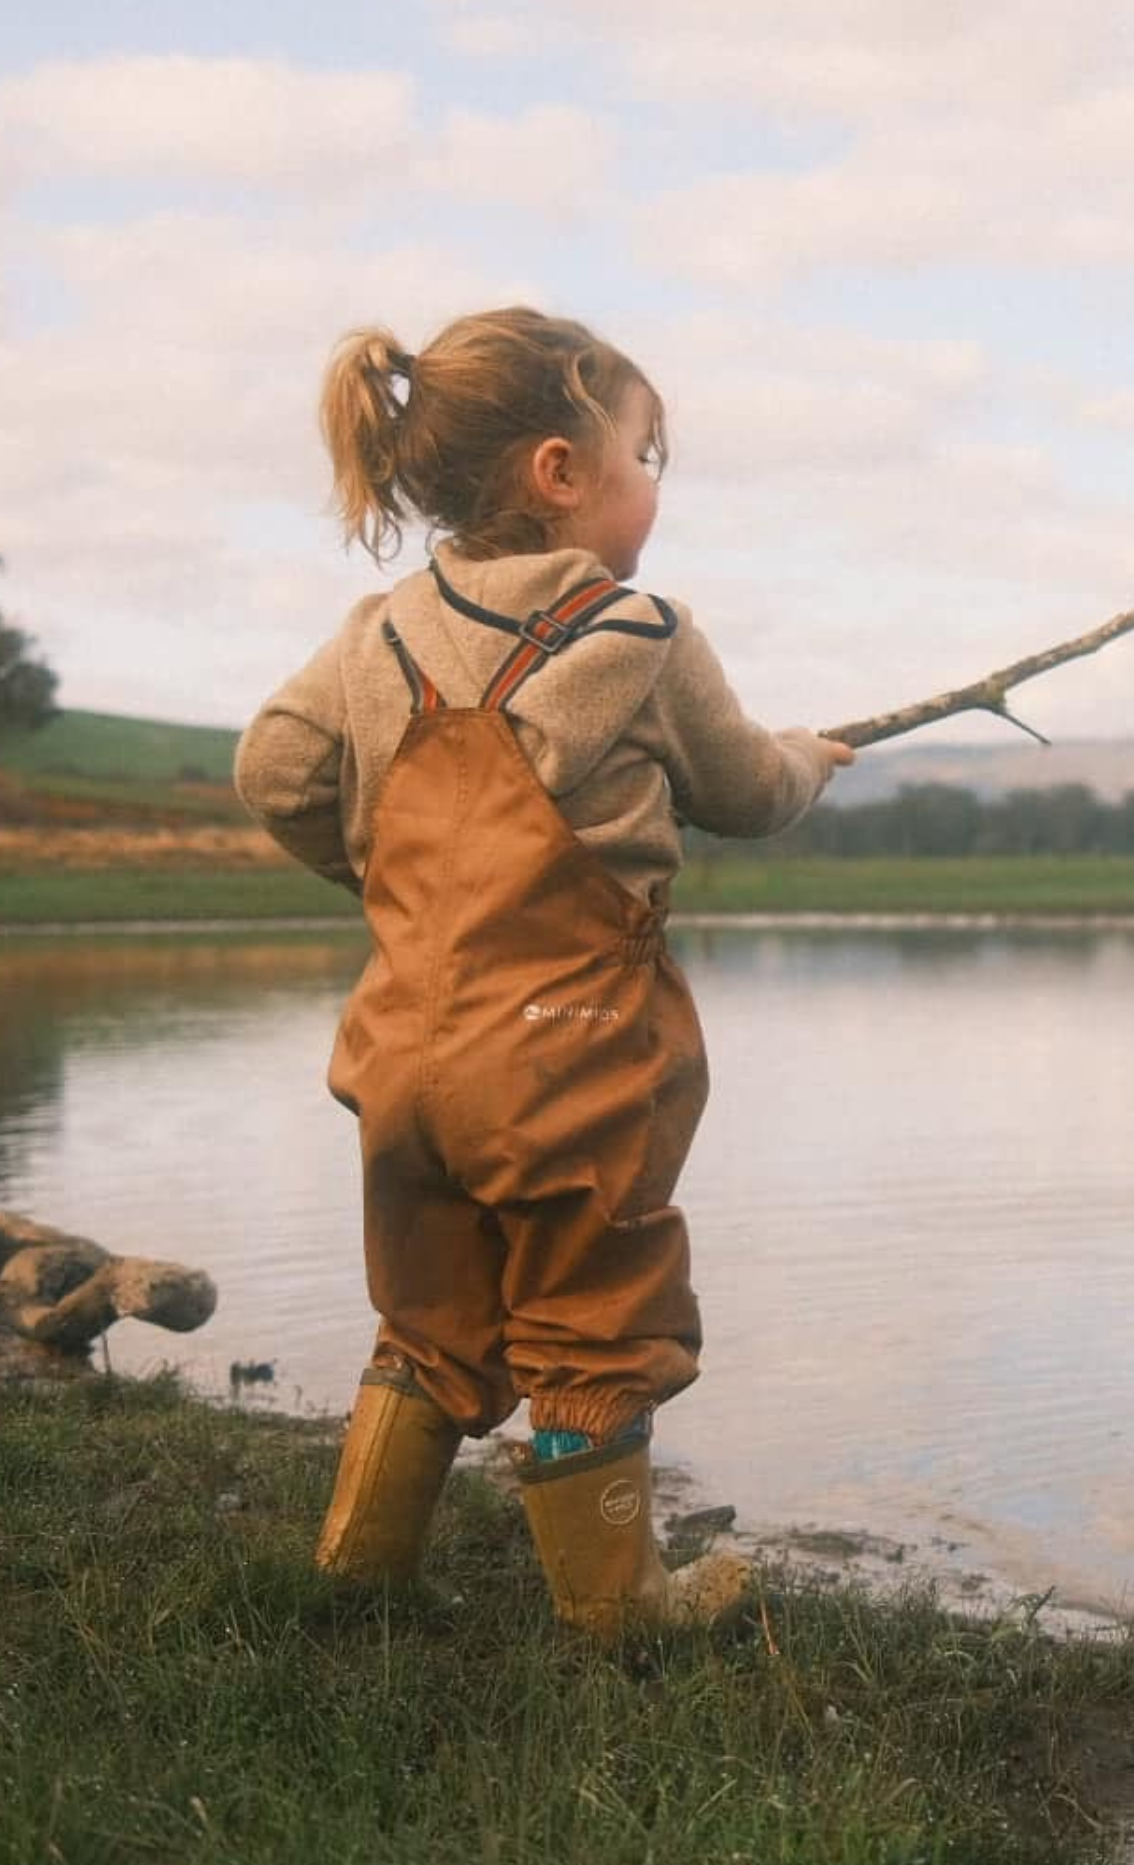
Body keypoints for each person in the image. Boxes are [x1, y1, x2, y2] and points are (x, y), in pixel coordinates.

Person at [235, 306, 854, 1636]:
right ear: (560, 469)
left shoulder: (375, 634)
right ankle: (617, 1598)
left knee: (430, 1310)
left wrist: (383, 876)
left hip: (403, 1049)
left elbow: (272, 770)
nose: (654, 488)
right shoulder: (636, 632)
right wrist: (807, 754)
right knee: (595, 1323)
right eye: (648, 454)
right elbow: (744, 790)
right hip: (570, 1059)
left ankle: (359, 1561)